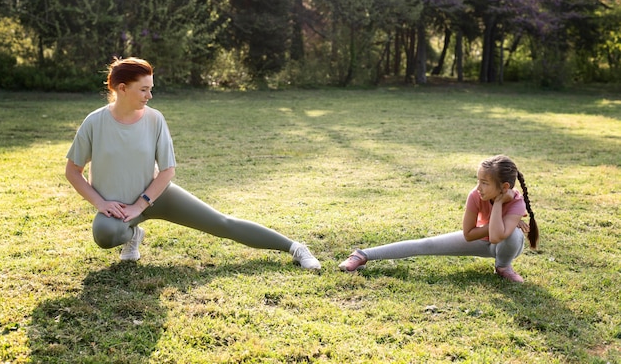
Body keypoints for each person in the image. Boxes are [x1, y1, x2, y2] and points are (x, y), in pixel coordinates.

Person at [65, 57, 320, 269]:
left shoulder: (155, 120)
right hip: (118, 209)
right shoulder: (95, 122)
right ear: (122, 88)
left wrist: (140, 204)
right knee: (105, 234)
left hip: (156, 195)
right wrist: (102, 203)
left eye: (151, 88)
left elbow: (167, 171)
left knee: (222, 223)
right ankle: (133, 236)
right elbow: (73, 171)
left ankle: (295, 248)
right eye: (143, 89)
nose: (149, 95)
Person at [338, 155, 539, 282]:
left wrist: (498, 206)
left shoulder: (517, 203)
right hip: (479, 240)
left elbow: (498, 238)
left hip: (504, 247)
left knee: (512, 235)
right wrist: (499, 223)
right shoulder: (476, 195)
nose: (479, 187)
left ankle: (503, 267)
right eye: (478, 181)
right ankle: (362, 255)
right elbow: (469, 235)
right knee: (426, 244)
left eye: (485, 183)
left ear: (504, 187)